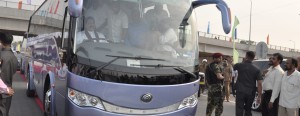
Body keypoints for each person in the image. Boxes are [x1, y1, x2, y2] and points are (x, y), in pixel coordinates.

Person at [234, 51, 263, 116]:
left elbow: (232, 68)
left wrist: (243, 62)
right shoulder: (257, 69)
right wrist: (259, 96)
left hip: (240, 91)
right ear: (253, 58)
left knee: (239, 108)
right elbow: (259, 84)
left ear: (246, 56)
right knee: (248, 109)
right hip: (251, 92)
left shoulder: (239, 65)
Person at [0, 32, 18, 116]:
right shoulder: (14, 57)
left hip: (2, 93)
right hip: (8, 93)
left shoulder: (2, 56)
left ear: (1, 41)